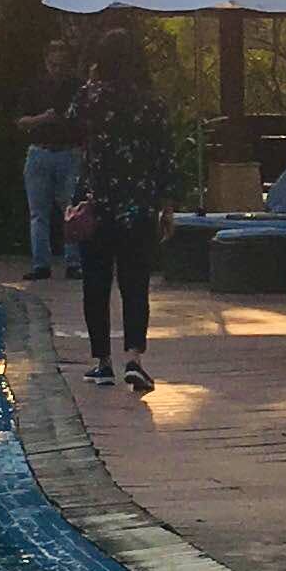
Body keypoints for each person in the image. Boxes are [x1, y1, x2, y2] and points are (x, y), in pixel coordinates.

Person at [69, 24, 176, 387]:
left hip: (96, 205)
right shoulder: (153, 103)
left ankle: (102, 361)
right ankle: (134, 357)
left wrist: (90, 79)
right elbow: (165, 156)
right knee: (135, 284)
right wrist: (167, 205)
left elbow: (70, 127)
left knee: (95, 284)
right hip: (139, 206)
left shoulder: (90, 97)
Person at [16, 35, 85, 282]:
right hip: (40, 152)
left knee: (71, 211)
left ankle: (73, 262)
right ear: (46, 62)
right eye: (53, 65)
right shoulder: (34, 87)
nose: (57, 70)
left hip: (68, 152)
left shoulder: (78, 87)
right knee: (38, 213)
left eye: (62, 65)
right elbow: (21, 122)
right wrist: (43, 118)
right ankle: (40, 264)